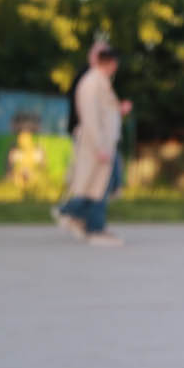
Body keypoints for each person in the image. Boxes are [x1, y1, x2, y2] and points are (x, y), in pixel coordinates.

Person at [54, 44, 126, 246]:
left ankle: (90, 224)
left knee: (99, 187)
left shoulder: (101, 82)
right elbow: (91, 117)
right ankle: (71, 213)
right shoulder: (91, 83)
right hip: (96, 145)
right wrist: (100, 147)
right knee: (94, 187)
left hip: (105, 144)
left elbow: (106, 112)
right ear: (110, 62)